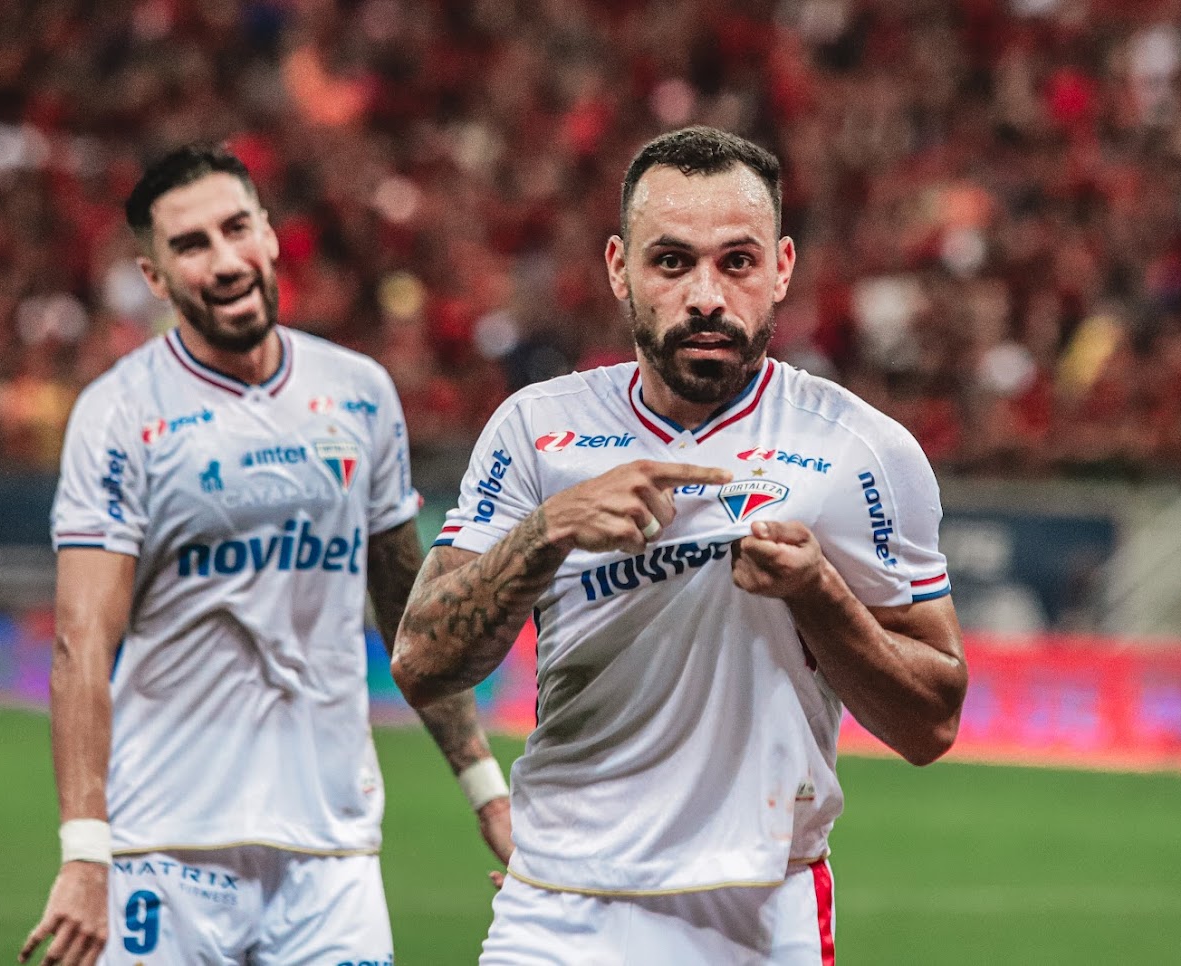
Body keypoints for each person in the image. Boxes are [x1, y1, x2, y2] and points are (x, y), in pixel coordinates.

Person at [392, 126, 968, 964]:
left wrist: (818, 594)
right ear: (620, 268)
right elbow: (421, 659)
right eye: (672, 262)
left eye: (736, 262)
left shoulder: (861, 451)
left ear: (781, 268)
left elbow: (932, 723)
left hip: (761, 913)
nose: (706, 295)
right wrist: (547, 532)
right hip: (559, 908)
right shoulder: (537, 427)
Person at [20, 145, 512, 966]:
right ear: (154, 276)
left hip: (332, 850)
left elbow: (408, 619)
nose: (222, 260)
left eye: (235, 228)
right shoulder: (118, 414)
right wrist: (83, 849)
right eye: (190, 245)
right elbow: (80, 643)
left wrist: (486, 790)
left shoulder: (359, 393)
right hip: (165, 845)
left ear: (271, 237)